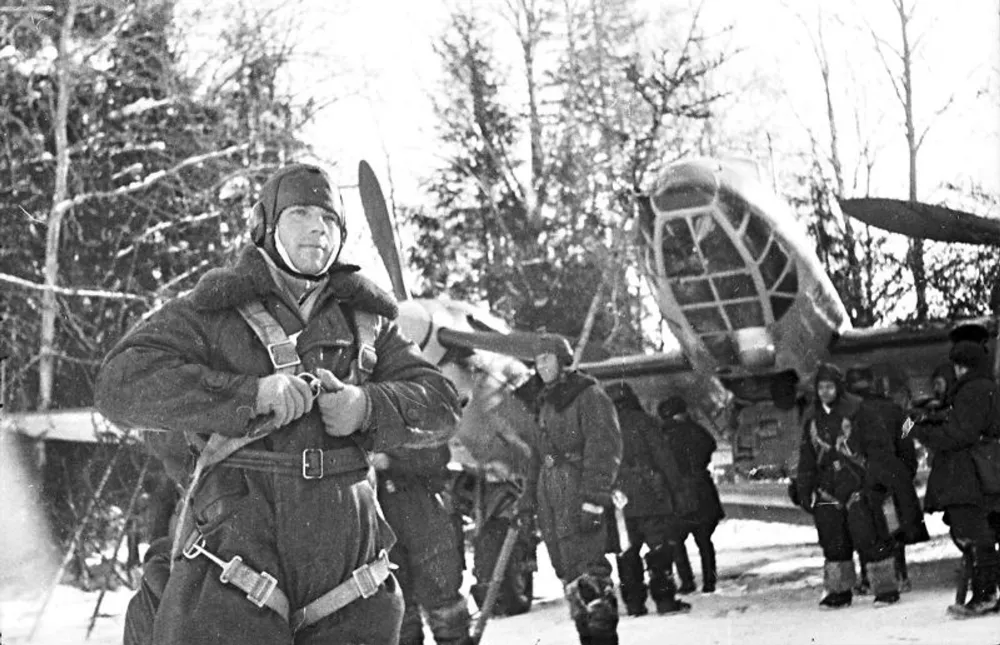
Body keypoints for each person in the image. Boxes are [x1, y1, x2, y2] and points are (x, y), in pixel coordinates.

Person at [96, 163, 462, 645]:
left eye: (331, 220)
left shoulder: (369, 324)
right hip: (238, 558)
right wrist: (250, 394)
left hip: (348, 568)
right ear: (264, 226)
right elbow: (119, 385)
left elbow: (440, 405)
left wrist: (366, 406)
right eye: (301, 213)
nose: (318, 228)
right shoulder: (212, 311)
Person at [524, 335, 623, 645]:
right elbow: (537, 458)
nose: (541, 366)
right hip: (550, 496)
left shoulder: (588, 395)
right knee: (571, 579)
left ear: (563, 360)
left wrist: (594, 500)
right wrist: (527, 500)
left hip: (577, 492)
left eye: (547, 358)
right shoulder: (545, 402)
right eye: (537, 360)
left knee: (592, 578)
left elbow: (604, 447)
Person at [795, 363, 902, 608]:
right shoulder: (812, 417)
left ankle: (886, 589)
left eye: (829, 386)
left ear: (839, 387)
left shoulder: (859, 410)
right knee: (833, 542)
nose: (825, 392)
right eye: (820, 387)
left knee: (871, 538)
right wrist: (804, 488)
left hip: (858, 484)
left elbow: (880, 446)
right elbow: (807, 456)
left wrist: (877, 481)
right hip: (827, 488)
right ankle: (839, 591)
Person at [910, 341, 1000, 618]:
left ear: (961, 367)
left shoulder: (971, 391)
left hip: (970, 476)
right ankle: (986, 594)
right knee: (983, 535)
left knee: (975, 537)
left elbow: (959, 434)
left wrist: (917, 428)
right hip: (986, 473)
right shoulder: (986, 388)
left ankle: (984, 595)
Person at [606, 383, 693, 616]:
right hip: (650, 495)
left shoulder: (602, 427)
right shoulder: (644, 422)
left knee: (627, 553)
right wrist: (677, 490)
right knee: (659, 548)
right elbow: (664, 458)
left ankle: (634, 604)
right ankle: (665, 600)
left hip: (618, 500)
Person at [373, 444, 472, 645]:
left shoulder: (412, 419)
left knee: (445, 608)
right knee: (400, 614)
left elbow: (437, 456)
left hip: (423, 518)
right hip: (382, 531)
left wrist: (392, 462)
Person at [844, 366, 929, 594]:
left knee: (864, 528)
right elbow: (907, 443)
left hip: (860, 479)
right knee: (893, 527)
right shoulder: (896, 410)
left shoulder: (847, 414)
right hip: (892, 478)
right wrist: (904, 475)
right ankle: (900, 575)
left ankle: (868, 579)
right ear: (872, 383)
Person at [658, 395, 725, 594]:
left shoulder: (665, 433)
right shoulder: (697, 430)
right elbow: (711, 445)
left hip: (678, 492)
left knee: (676, 539)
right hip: (702, 488)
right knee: (704, 540)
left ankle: (687, 581)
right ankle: (709, 582)